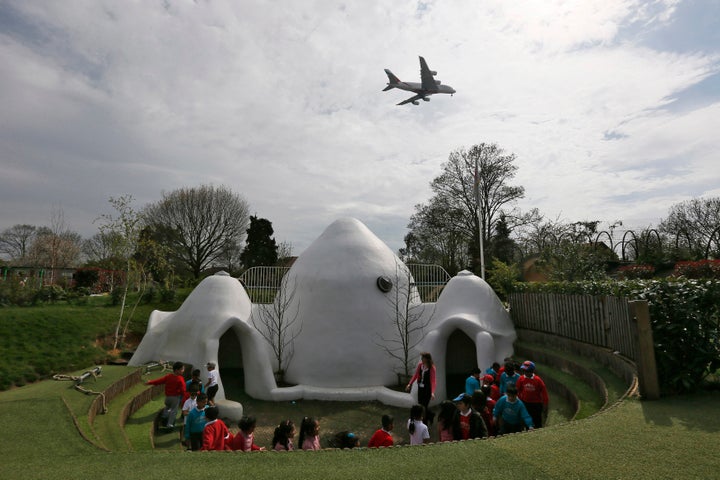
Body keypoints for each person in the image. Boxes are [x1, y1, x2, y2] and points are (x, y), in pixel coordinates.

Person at [145, 361, 186, 429]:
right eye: (182, 369)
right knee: (174, 411)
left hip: (167, 398)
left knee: (167, 407)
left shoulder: (168, 376)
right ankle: (170, 424)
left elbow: (159, 381)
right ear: (177, 370)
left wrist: (150, 382)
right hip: (175, 398)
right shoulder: (180, 379)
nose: (183, 371)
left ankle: (164, 417)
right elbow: (183, 390)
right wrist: (184, 396)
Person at [516, 360, 549, 428]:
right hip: (525, 403)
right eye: (524, 371)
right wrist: (519, 401)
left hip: (536, 404)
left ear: (531, 371)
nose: (525, 373)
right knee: (527, 421)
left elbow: (544, 393)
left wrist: (545, 404)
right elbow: (517, 390)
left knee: (537, 421)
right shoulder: (521, 379)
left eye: (527, 371)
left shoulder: (538, 380)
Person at [406, 352, 436, 424]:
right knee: (421, 405)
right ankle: (431, 415)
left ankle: (424, 422)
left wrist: (432, 392)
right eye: (422, 358)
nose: (422, 359)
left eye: (423, 358)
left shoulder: (432, 368)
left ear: (427, 359)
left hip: (427, 389)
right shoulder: (420, 365)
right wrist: (409, 384)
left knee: (424, 406)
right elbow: (415, 375)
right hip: (421, 388)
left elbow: (433, 381)